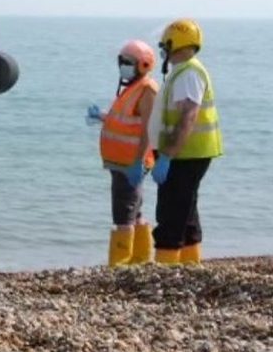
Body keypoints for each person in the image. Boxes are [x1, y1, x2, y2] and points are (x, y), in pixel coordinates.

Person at [147, 19, 222, 265]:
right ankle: (191, 265)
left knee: (171, 212)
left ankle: (166, 267)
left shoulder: (189, 74)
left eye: (165, 45)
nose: (162, 50)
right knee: (186, 210)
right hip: (187, 154)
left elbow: (188, 116)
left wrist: (167, 155)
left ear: (174, 43)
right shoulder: (185, 71)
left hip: (186, 155)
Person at [86, 40, 159, 267]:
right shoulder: (132, 89)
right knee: (134, 210)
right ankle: (139, 259)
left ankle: (121, 263)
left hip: (131, 163)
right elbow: (127, 122)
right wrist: (102, 117)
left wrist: (138, 162)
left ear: (143, 65)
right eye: (122, 62)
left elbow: (150, 128)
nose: (123, 67)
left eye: (128, 63)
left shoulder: (147, 90)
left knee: (123, 214)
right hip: (122, 162)